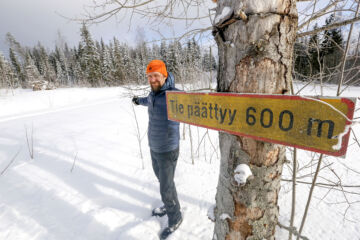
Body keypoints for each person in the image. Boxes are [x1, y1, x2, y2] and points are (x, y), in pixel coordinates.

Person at [132, 60, 182, 239]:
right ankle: (171, 206)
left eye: (156, 75)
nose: (152, 79)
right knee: (163, 182)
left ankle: (175, 217)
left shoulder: (173, 95)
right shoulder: (153, 94)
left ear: (165, 75)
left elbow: (192, 103)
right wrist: (139, 101)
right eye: (150, 76)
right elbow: (149, 101)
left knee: (165, 187)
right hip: (154, 147)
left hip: (168, 149)